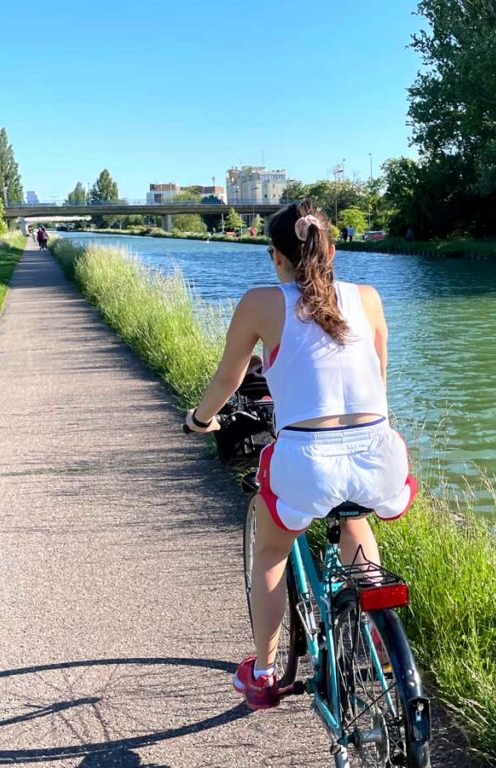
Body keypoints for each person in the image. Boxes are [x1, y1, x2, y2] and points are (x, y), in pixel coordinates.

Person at [185, 200, 416, 710]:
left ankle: (264, 674)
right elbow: (379, 379)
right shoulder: (370, 298)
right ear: (331, 249)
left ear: (276, 256)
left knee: (271, 550)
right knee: (355, 521)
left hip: (309, 460)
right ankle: (372, 628)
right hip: (378, 454)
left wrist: (200, 420)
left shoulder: (262, 302)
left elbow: (229, 379)